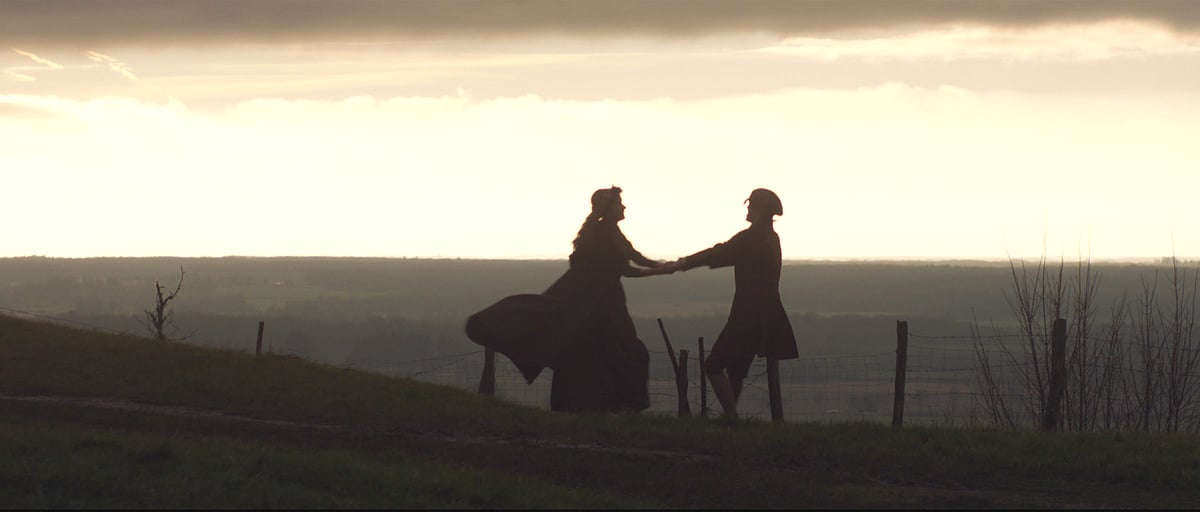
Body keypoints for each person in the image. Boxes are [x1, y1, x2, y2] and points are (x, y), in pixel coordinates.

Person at [465, 186, 669, 413]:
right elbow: (623, 269)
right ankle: (619, 405)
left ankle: (605, 404)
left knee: (601, 351)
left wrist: (663, 266)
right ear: (609, 208)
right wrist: (660, 270)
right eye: (620, 203)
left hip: (608, 303)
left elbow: (635, 257)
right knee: (623, 351)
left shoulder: (612, 232)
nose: (624, 206)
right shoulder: (603, 235)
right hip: (603, 305)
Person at [665, 188, 798, 419]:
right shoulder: (771, 238)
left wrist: (683, 263)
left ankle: (731, 418)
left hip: (747, 315)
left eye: (751, 206)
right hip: (766, 314)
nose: (747, 209)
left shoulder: (751, 238)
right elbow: (726, 255)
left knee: (713, 365)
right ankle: (729, 418)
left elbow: (718, 253)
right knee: (736, 370)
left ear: (758, 210)